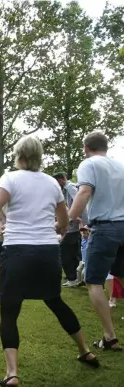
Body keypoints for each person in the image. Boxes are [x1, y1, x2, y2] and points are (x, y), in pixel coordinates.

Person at [0, 135, 99, 387]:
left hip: (17, 251)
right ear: (39, 155)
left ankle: (12, 374)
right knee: (55, 301)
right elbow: (62, 220)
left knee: (10, 309)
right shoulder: (51, 183)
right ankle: (85, 351)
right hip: (47, 251)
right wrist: (57, 229)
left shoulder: (10, 178)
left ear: (19, 155)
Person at [68, 131, 124, 351]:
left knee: (93, 281)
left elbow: (83, 192)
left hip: (105, 228)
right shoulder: (120, 166)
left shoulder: (89, 164)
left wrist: (67, 219)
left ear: (85, 147)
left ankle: (109, 337)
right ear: (106, 146)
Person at [53, 172, 86, 287]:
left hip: (75, 226)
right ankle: (79, 278)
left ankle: (72, 278)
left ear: (61, 180)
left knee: (63, 251)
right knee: (75, 253)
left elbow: (81, 200)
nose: (56, 185)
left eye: (56, 182)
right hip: (74, 226)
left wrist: (77, 216)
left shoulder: (70, 187)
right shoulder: (67, 189)